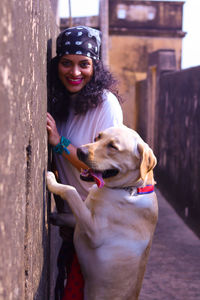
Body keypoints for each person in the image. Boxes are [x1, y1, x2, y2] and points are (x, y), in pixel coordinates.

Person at [47, 26, 123, 300]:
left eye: (84, 64)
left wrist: (60, 142)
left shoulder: (106, 105)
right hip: (77, 226)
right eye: (67, 63)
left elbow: (105, 169)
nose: (74, 72)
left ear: (96, 67)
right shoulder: (63, 103)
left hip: (101, 231)